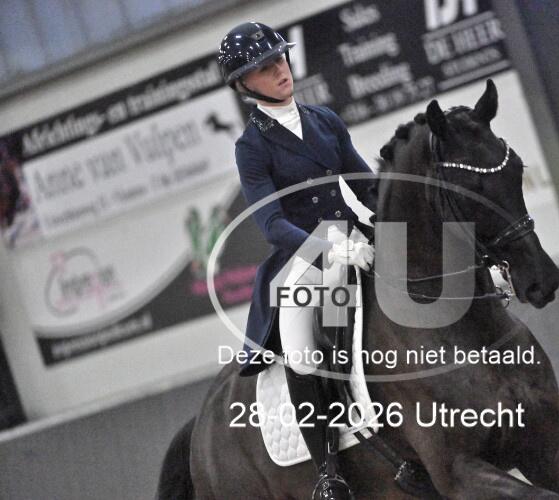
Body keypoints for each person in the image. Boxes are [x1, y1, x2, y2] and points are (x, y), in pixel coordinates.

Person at [218, 21, 378, 500]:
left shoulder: (324, 120)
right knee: (300, 343)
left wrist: (391, 219)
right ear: (245, 84)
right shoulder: (251, 147)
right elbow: (272, 225)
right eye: (264, 68)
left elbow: (365, 184)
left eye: (280, 59)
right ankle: (328, 470)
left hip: (355, 236)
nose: (279, 70)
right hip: (305, 254)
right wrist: (332, 248)